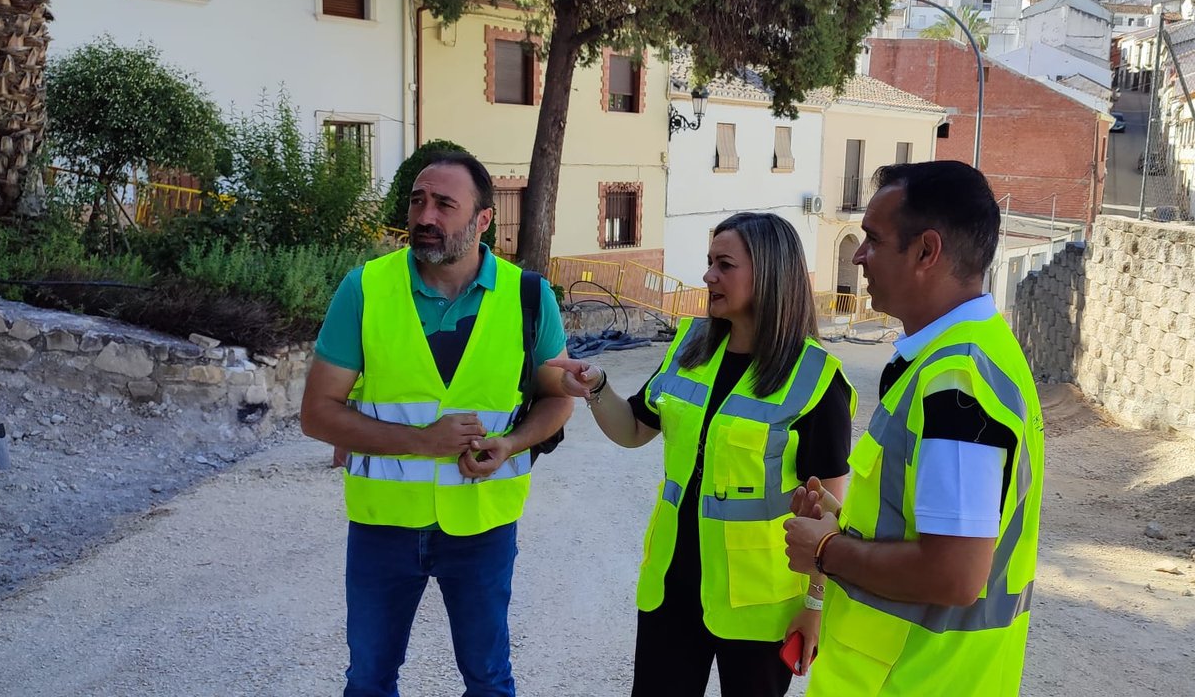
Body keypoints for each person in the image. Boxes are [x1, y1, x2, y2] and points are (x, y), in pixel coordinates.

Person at [299, 152, 573, 697]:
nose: (426, 215)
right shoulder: (366, 289)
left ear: (483, 220)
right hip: (383, 527)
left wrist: (513, 442)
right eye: (417, 201)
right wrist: (423, 442)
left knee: (489, 679)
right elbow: (317, 413)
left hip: (483, 527)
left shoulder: (528, 297)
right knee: (369, 679)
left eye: (445, 204)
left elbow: (556, 400)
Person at [548, 212, 854, 697]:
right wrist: (596, 387)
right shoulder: (689, 349)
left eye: (724, 264)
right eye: (709, 262)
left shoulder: (815, 380)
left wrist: (814, 607)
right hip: (672, 589)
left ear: (769, 275)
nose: (708, 275)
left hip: (760, 608)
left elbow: (830, 519)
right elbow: (633, 431)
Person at [782, 161, 1046, 696]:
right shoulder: (975, 355)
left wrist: (828, 550)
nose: (858, 257)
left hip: (910, 681)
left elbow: (955, 573)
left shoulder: (957, 382)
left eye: (873, 241)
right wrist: (849, 523)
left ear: (927, 251)